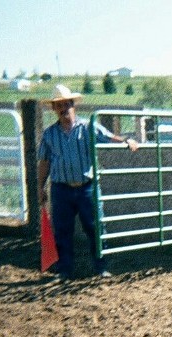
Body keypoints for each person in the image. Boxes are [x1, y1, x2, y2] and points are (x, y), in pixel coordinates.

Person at [37, 84, 139, 281]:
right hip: (61, 189)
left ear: (72, 104)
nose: (63, 108)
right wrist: (40, 186)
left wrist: (127, 141)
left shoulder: (88, 127)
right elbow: (44, 162)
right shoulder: (49, 135)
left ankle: (101, 268)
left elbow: (109, 137)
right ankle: (64, 270)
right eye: (58, 105)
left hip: (86, 187)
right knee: (62, 230)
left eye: (66, 104)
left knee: (95, 228)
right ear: (54, 109)